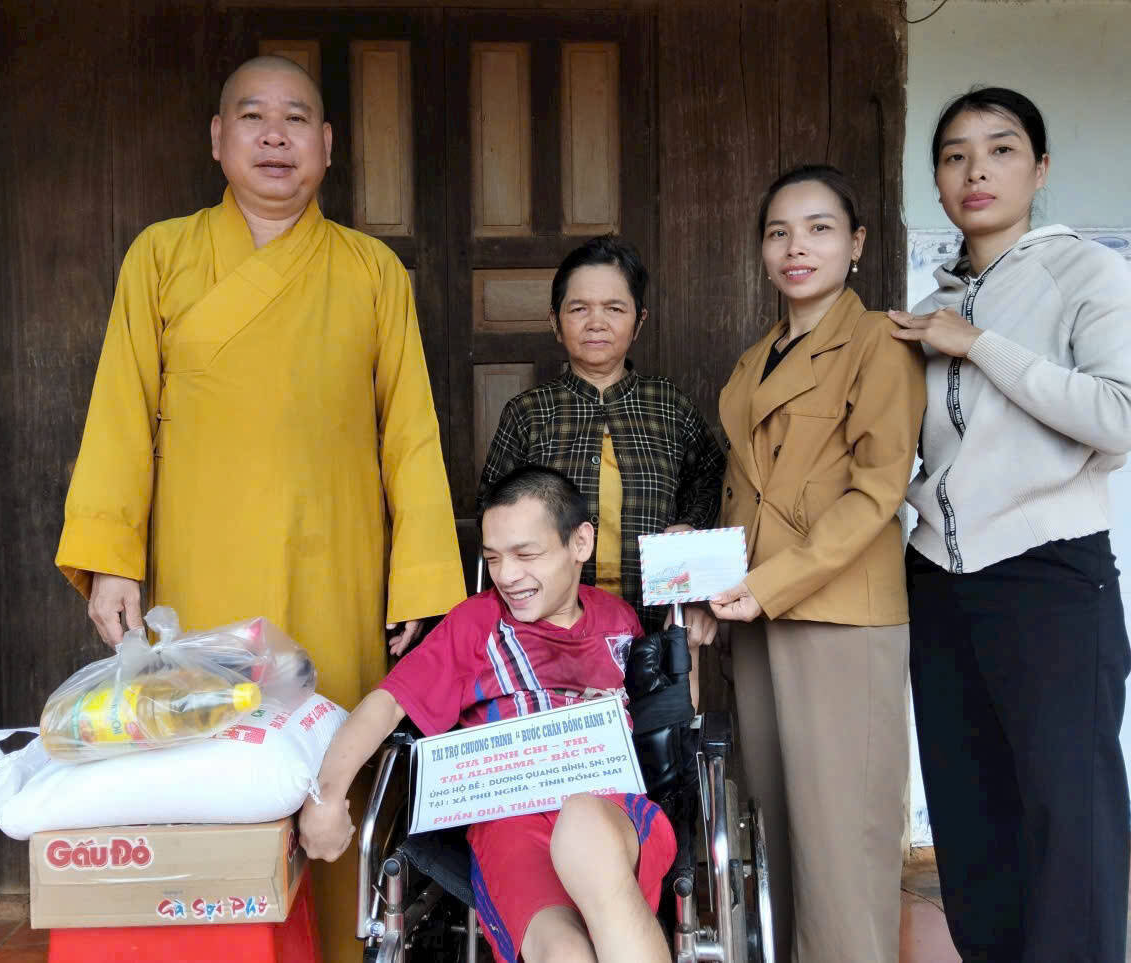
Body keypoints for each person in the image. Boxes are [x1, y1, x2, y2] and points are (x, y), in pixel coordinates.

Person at [54, 56, 466, 963]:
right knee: (205, 764)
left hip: (337, 567)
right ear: (218, 138)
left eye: (296, 118)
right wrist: (113, 557)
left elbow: (411, 436)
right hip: (201, 571)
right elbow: (119, 411)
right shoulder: (161, 256)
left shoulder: (371, 269)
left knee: (332, 767)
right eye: (252, 116)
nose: (275, 136)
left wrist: (421, 584)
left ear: (328, 144)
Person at [890, 86, 1131, 962]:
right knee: (972, 819)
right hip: (941, 583)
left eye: (1000, 150)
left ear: (1040, 168)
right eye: (955, 156)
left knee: (1070, 818)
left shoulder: (1086, 274)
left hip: (1049, 573)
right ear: (937, 180)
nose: (976, 171)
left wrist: (978, 345)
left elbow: (1118, 414)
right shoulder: (936, 300)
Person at [300, 466, 676, 963]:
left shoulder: (618, 620)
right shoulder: (476, 623)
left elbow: (660, 711)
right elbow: (388, 703)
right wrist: (326, 796)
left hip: (609, 811)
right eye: (494, 558)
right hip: (510, 821)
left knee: (584, 825)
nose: (507, 575)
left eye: (526, 554)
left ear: (580, 543)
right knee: (564, 951)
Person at [710, 165, 925, 962]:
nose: (796, 247)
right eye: (779, 232)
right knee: (782, 834)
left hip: (839, 616)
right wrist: (712, 580)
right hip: (758, 615)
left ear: (856, 242)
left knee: (841, 845)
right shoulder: (755, 358)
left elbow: (876, 493)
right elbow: (747, 491)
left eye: (819, 228)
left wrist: (767, 585)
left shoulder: (878, 343)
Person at [478, 235, 725, 703]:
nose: (596, 322)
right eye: (579, 309)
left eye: (614, 308)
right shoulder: (529, 413)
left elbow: (711, 479)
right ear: (555, 322)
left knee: (661, 740)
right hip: (550, 639)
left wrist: (691, 541)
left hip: (657, 627)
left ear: (639, 321)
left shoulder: (668, 405)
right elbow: (491, 510)